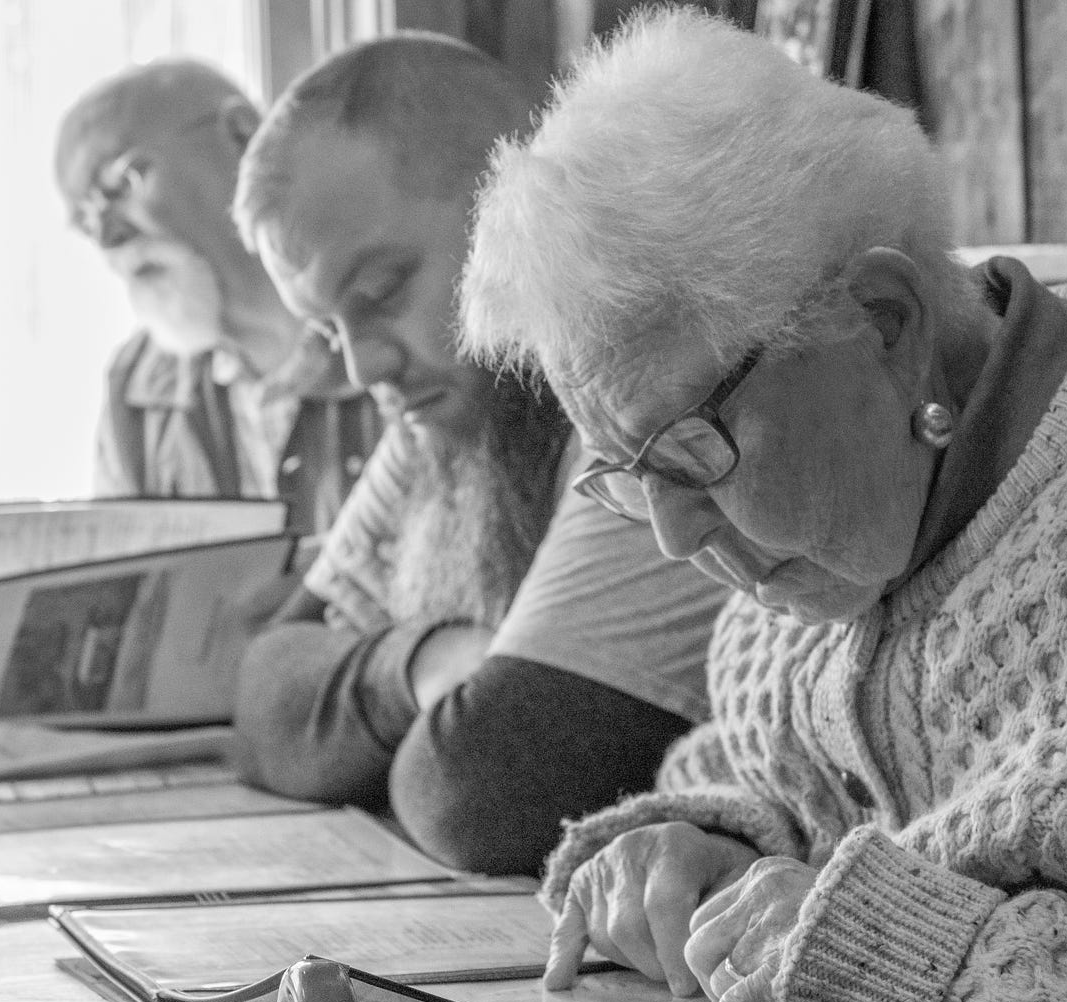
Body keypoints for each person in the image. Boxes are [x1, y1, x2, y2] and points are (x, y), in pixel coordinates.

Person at [458, 8, 1067, 1002]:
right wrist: (712, 847)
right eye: (627, 472)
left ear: (882, 322)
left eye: (691, 449)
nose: (670, 532)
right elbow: (783, 772)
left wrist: (909, 957)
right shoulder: (831, 536)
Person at [228, 32, 731, 877]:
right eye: (325, 328)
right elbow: (262, 692)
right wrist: (422, 665)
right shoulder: (438, 411)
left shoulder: (646, 387)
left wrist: (369, 719)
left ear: (509, 208)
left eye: (382, 292)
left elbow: (487, 786)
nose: (362, 368)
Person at [54, 59, 378, 531]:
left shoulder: (392, 321)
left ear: (244, 135)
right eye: (84, 220)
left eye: (123, 183)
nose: (106, 237)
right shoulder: (134, 389)